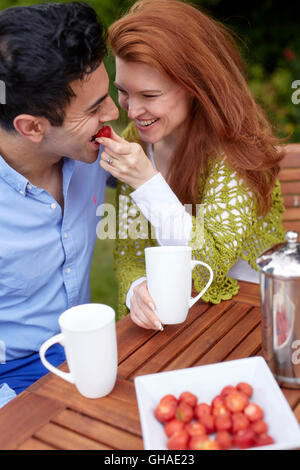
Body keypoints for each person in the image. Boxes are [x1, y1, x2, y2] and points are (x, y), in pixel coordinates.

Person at [98, 0, 286, 329]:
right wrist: (135, 291)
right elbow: (130, 250)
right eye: (123, 91)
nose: (131, 110)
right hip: (182, 314)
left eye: (150, 95)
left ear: (194, 89)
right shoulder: (135, 139)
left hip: (252, 312)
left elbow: (206, 268)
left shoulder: (236, 149)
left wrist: (148, 183)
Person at [0, 2, 119, 405]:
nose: (113, 113)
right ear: (32, 127)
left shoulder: (91, 150)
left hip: (89, 355)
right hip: (10, 380)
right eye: (95, 108)